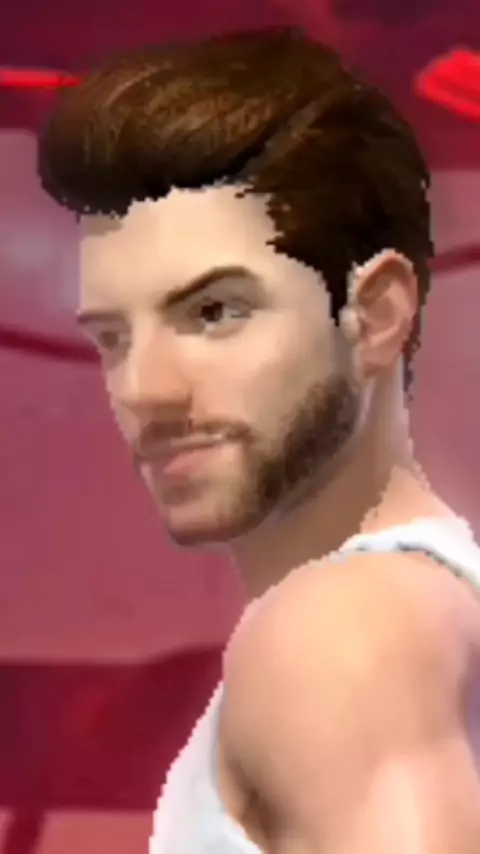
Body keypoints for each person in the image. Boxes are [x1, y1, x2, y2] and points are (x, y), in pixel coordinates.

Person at [37, 27, 480, 853]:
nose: (145, 390)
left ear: (376, 314)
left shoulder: (343, 633)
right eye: (115, 338)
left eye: (215, 312)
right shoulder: (420, 607)